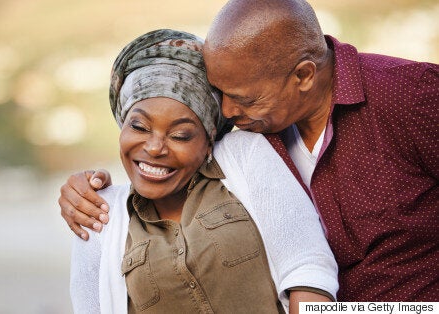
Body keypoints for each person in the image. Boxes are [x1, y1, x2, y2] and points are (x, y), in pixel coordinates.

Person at [61, 0, 439, 302]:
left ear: (304, 75)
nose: (227, 112)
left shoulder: (410, 96)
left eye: (242, 97)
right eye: (221, 94)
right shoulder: (250, 136)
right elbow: (167, 150)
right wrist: (86, 189)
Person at [70, 29, 338, 313]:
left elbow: (308, 268)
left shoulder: (244, 155)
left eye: (181, 135)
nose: (155, 147)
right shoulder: (99, 213)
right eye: (139, 127)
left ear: (209, 141)